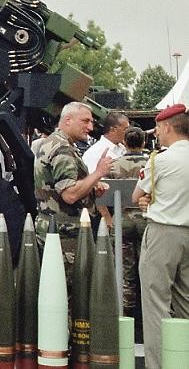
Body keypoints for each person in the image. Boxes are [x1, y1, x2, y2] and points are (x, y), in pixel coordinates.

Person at [133, 103, 189, 369]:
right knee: (186, 303)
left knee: (156, 306)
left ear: (167, 127)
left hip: (162, 234)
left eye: (158, 127)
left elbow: (136, 196)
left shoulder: (160, 160)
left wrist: (149, 201)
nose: (156, 133)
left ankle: (159, 365)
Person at [33, 102, 114, 285]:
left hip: (52, 228)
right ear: (67, 120)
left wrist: (91, 186)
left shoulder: (52, 143)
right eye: (85, 121)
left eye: (91, 122)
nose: (90, 127)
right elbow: (69, 195)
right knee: (70, 293)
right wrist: (98, 173)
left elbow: (54, 185)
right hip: (66, 235)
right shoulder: (63, 149)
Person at [109, 126, 149, 322]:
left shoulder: (114, 165)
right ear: (143, 143)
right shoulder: (151, 163)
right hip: (146, 221)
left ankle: (126, 315)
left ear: (124, 142)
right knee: (148, 269)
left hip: (122, 221)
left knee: (125, 272)